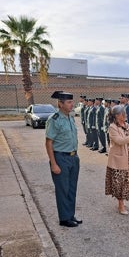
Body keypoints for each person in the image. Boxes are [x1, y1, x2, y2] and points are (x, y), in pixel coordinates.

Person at [45, 91, 82, 227]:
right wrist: (54, 164)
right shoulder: (54, 120)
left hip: (73, 157)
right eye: (69, 102)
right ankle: (64, 218)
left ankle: (70, 215)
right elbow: (49, 143)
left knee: (72, 188)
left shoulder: (70, 118)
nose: (72, 104)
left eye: (72, 102)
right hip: (60, 157)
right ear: (60, 104)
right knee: (63, 189)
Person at [105, 105, 129, 215]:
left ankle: (122, 202)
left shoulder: (126, 125)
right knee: (119, 182)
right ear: (117, 116)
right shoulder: (112, 127)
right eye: (123, 114)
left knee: (126, 181)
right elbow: (120, 141)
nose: (125, 115)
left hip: (128, 158)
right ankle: (120, 204)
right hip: (118, 159)